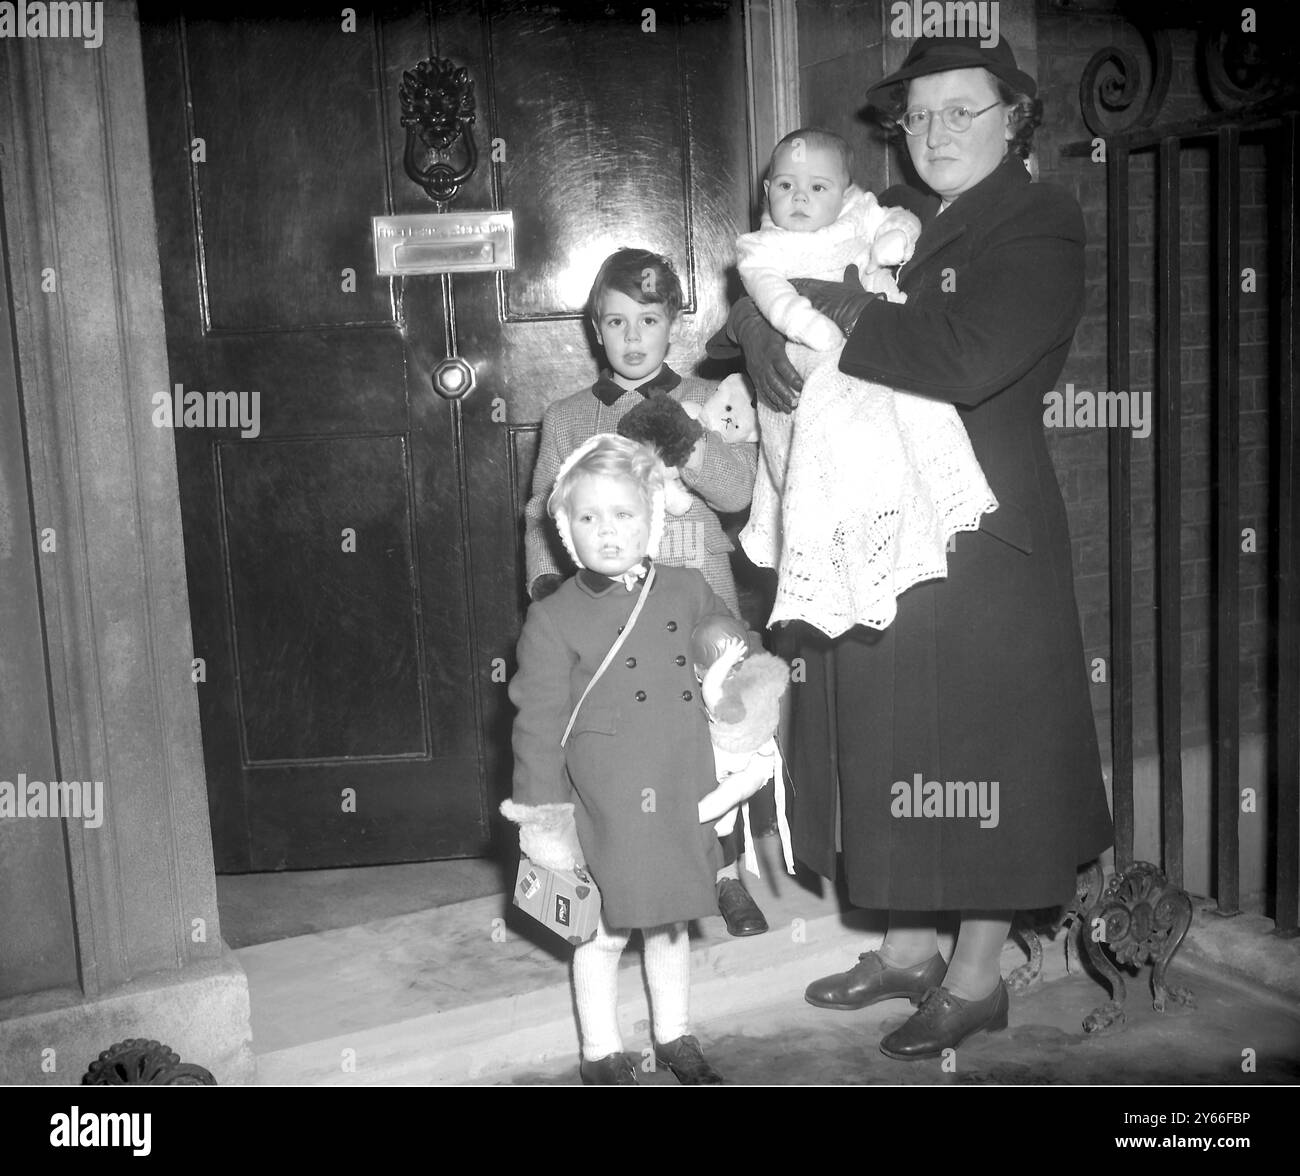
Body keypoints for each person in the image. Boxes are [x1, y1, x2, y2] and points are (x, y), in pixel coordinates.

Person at [709, 33, 1113, 1059]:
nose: (932, 133)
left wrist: (825, 316)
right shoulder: (902, 223)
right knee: (900, 751)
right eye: (917, 116)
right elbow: (758, 312)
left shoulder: (1036, 222)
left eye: (959, 111)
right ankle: (908, 950)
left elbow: (966, 355)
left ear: (1014, 116)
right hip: (883, 527)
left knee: (985, 759)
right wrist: (769, 350)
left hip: (983, 538)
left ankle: (975, 980)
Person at [523, 247, 770, 937]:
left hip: (694, 599)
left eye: (650, 320)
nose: (634, 338)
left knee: (713, 738)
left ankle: (722, 872)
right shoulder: (569, 416)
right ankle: (624, 869)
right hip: (609, 615)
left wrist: (687, 442)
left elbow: (739, 491)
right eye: (617, 322)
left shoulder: (704, 399)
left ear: (674, 325)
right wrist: (550, 586)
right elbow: (544, 507)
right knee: (634, 749)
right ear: (594, 330)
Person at [504, 434, 731, 1084]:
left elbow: (723, 641)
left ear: (652, 518)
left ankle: (675, 1035)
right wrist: (545, 824)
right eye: (589, 518)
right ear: (566, 531)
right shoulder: (552, 619)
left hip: (680, 781)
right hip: (604, 799)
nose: (608, 532)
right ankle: (601, 1050)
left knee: (668, 919)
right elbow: (536, 729)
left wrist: (739, 670)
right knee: (599, 929)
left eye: (624, 514)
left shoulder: (686, 589)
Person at [737, 126, 998, 636]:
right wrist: (754, 324)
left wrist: (890, 250)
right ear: (767, 190)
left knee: (907, 426)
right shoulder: (765, 243)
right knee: (823, 439)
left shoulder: (1031, 220)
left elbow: (972, 357)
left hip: (893, 373)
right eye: (786, 186)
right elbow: (762, 290)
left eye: (817, 188)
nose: (801, 198)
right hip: (806, 362)